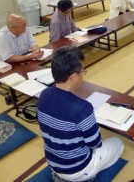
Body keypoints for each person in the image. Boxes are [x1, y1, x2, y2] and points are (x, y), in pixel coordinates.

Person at [38, 46, 124, 181]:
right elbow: (95, 144)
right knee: (118, 143)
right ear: (73, 76)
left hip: (53, 161)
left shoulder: (44, 94)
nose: (83, 74)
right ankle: (86, 176)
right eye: (82, 72)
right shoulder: (83, 108)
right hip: (78, 168)